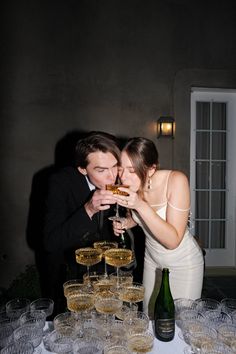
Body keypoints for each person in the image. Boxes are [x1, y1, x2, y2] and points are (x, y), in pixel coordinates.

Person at [113, 137, 204, 317]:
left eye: (132, 170)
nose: (123, 177)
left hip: (183, 264)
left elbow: (173, 241)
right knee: (149, 316)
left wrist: (140, 204)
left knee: (180, 322)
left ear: (151, 169)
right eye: (121, 169)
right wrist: (125, 222)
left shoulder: (176, 181)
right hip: (152, 261)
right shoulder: (132, 185)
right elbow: (137, 218)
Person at [43, 131, 120, 314]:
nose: (112, 177)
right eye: (101, 170)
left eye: (115, 166)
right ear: (82, 169)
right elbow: (50, 242)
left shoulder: (121, 178)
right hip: (70, 275)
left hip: (106, 274)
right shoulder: (59, 183)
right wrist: (89, 210)